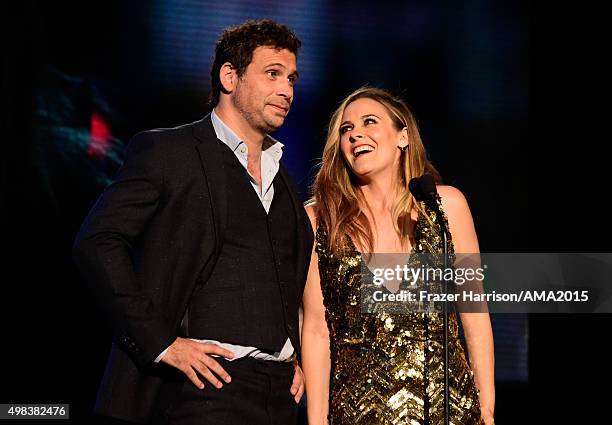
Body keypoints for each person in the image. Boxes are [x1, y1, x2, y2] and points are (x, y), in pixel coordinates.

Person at [72, 19, 313, 425]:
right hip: (202, 392)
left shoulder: (285, 180)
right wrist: (162, 343)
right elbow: (97, 242)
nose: (286, 90)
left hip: (280, 398)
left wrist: (293, 355)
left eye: (291, 78)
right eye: (272, 74)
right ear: (229, 76)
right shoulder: (170, 152)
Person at [301, 87, 495, 424]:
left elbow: (474, 315)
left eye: (369, 122)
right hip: (359, 413)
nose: (355, 134)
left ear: (402, 136)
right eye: (346, 129)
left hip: (447, 410)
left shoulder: (443, 206)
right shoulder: (320, 219)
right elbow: (316, 330)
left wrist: (487, 408)